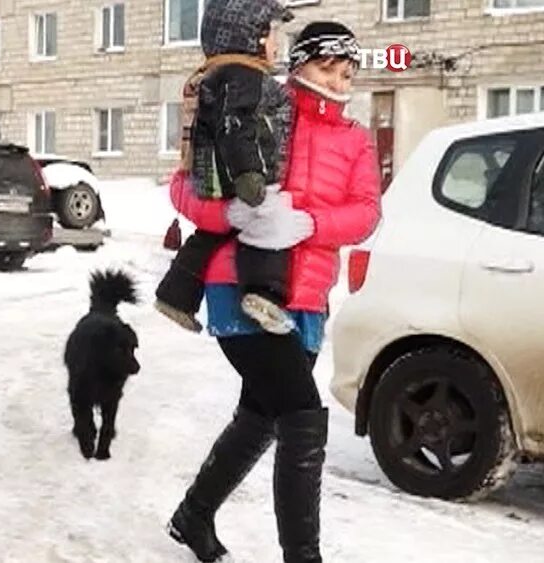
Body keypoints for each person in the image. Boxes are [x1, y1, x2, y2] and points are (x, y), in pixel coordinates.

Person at [165, 21, 381, 563]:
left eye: (348, 70)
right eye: (328, 66)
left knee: (261, 415)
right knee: (302, 414)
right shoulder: (254, 105)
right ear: (300, 62)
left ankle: (193, 516)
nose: (339, 79)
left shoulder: (355, 138)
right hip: (236, 283)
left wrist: (309, 224)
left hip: (307, 297)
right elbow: (183, 184)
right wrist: (232, 211)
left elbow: (367, 212)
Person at [154, 0, 301, 336]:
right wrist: (249, 173)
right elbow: (235, 125)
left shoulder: (219, 74)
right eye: (272, 35)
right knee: (269, 220)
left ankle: (175, 295)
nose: (277, 44)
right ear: (250, 37)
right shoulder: (245, 76)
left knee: (213, 233)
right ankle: (262, 293)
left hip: (216, 174)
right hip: (240, 175)